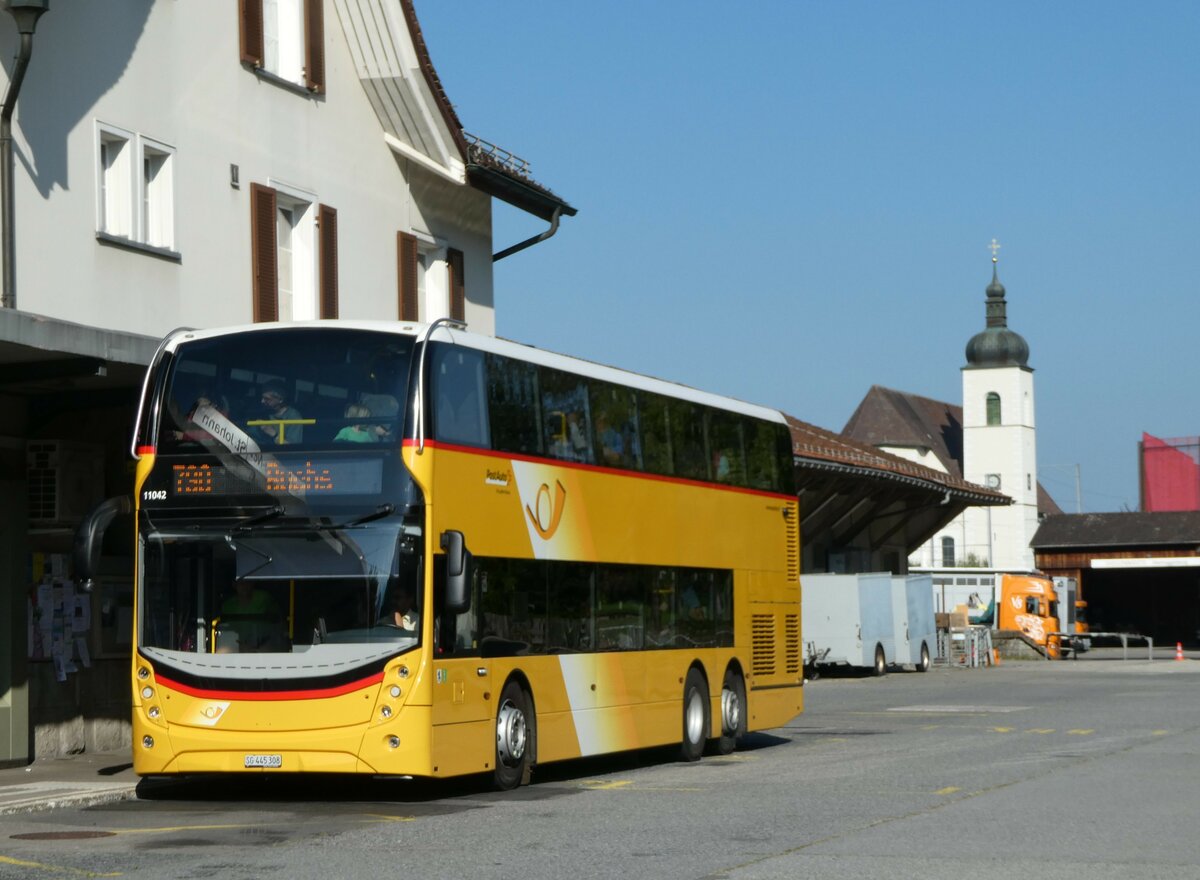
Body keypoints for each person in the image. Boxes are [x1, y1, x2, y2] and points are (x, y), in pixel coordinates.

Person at [217, 581, 282, 652]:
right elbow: (227, 632)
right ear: (234, 585)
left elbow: (278, 620)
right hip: (238, 643)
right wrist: (240, 645)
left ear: (252, 583)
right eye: (241, 583)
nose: (244, 586)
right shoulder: (228, 605)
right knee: (222, 651)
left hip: (264, 642)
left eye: (247, 582)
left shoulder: (264, 597)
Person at [253, 380, 303, 444]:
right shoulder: (263, 412)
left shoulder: (294, 417)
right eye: (262, 398)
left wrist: (273, 434)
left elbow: (293, 449)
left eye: (267, 399)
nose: (262, 401)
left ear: (280, 399)